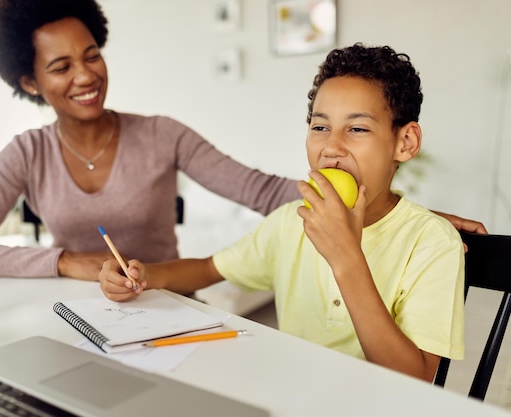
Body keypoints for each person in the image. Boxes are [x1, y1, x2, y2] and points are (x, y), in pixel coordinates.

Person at [0, 0, 483, 281]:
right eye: (60, 67)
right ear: (30, 83)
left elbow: (264, 191)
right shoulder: (26, 154)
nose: (85, 75)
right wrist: (68, 263)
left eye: (91, 55)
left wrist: (403, 215)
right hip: (77, 312)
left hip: (168, 301)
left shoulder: (160, 134)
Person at [99, 43, 466, 382]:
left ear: (405, 142)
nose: (331, 147)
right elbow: (209, 268)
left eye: (356, 128)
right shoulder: (290, 221)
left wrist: (346, 258)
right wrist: (145, 273)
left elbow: (414, 379)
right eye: (320, 127)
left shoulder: (433, 242)